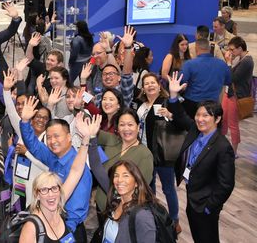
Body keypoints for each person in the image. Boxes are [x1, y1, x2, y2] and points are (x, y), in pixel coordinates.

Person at [166, 72, 235, 243]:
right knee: (199, 237)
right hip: (192, 196)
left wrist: (209, 207)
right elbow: (181, 116)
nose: (200, 119)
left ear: (217, 119)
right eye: (198, 115)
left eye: (206, 115)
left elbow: (226, 184)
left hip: (205, 204)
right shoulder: (195, 130)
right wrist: (173, 95)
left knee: (208, 238)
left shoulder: (222, 147)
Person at [19, 96, 93, 242]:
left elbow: (75, 210)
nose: (52, 141)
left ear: (69, 137)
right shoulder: (54, 156)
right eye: (49, 137)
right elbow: (33, 145)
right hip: (50, 225)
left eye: (57, 136)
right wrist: (25, 122)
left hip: (68, 230)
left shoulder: (78, 167)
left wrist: (63, 233)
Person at [87, 107, 154, 221]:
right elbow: (90, 128)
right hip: (101, 205)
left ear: (138, 127)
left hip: (123, 212)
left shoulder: (145, 154)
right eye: (122, 125)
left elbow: (142, 189)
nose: (126, 129)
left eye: (130, 124)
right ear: (117, 128)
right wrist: (78, 108)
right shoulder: (112, 140)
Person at [135, 72, 181, 233]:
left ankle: (174, 220)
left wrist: (170, 115)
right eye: (146, 83)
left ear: (159, 85)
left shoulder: (166, 102)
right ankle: (153, 216)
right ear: (143, 87)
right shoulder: (141, 104)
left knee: (168, 188)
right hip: (144, 153)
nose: (149, 85)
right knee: (148, 187)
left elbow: (180, 121)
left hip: (163, 153)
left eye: (152, 82)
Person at [91, 159, 157, 243]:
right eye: (116, 175)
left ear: (136, 182)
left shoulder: (143, 215)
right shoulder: (115, 202)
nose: (119, 180)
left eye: (125, 175)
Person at [180, 38, 231, 117]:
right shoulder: (222, 64)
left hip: (192, 104)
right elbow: (228, 81)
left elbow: (181, 81)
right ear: (209, 49)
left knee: (191, 127)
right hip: (213, 104)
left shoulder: (189, 64)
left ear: (196, 49)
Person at [222, 36, 253, 153]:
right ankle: (222, 147)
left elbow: (232, 78)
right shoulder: (241, 59)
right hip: (228, 94)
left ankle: (233, 152)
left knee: (232, 124)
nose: (230, 52)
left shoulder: (247, 61)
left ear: (240, 48)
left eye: (232, 50)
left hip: (236, 96)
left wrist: (229, 62)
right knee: (223, 121)